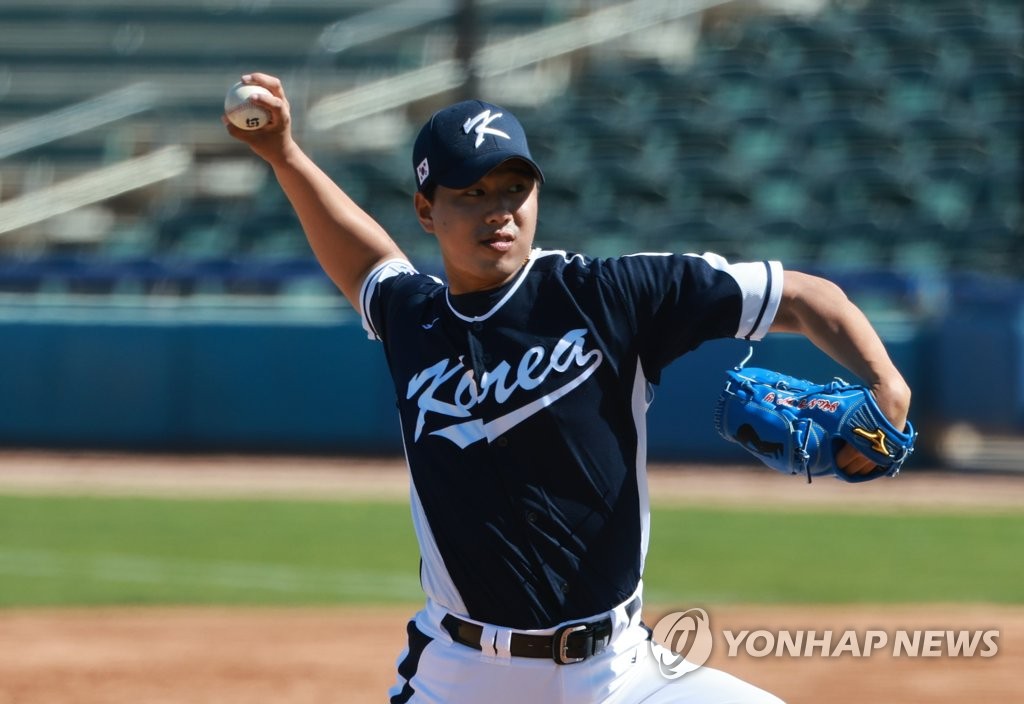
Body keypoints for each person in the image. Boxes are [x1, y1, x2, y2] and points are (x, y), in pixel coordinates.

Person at [225, 73, 912, 704]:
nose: (499, 210)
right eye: (472, 193)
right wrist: (284, 153)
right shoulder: (415, 319)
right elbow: (363, 258)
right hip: (464, 678)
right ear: (426, 211)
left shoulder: (610, 294)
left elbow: (801, 296)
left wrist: (885, 383)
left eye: (514, 188)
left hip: (620, 672)